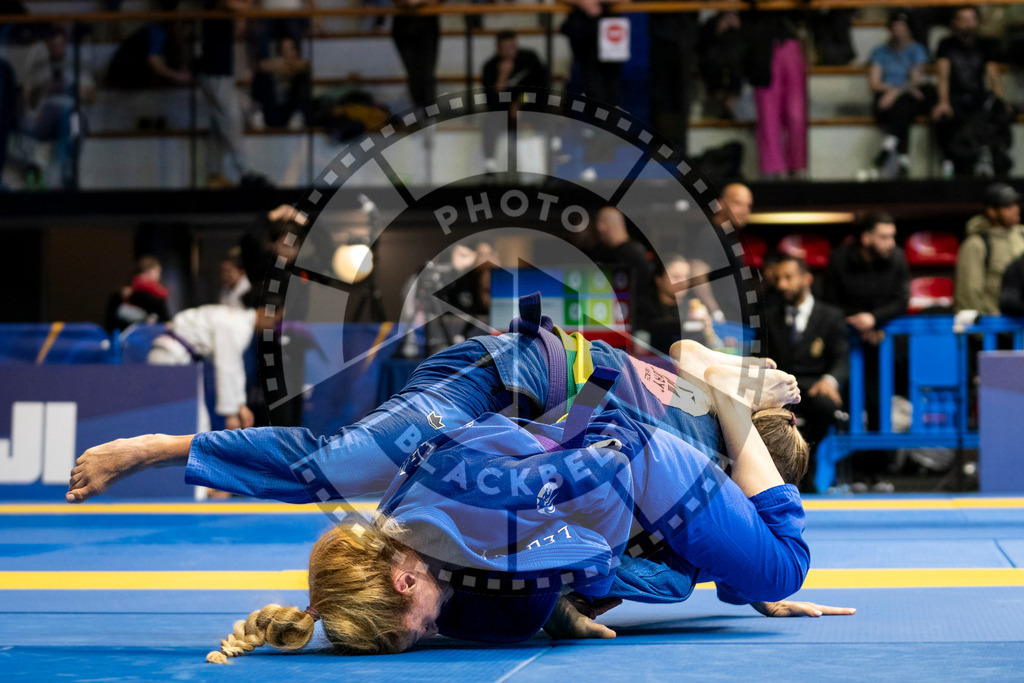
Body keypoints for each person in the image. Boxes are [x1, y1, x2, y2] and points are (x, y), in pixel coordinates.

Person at [763, 255, 848, 490]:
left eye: (788, 278)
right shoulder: (770, 316)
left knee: (825, 407)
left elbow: (842, 357)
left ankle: (806, 466)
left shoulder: (831, 316)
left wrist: (830, 380)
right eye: (778, 279)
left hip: (815, 386)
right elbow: (763, 358)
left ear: (806, 279)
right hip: (780, 388)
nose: (782, 285)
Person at [147, 291, 281, 432]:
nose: (274, 327)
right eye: (276, 321)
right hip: (171, 358)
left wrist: (240, 405)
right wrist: (231, 414)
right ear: (266, 312)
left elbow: (234, 367)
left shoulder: (237, 319)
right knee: (185, 423)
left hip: (174, 356)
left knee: (195, 423)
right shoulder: (238, 325)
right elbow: (227, 366)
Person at [932, 6, 1013, 177]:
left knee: (1001, 112)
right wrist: (943, 102)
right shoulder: (947, 44)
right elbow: (943, 75)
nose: (968, 24)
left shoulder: (986, 44)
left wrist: (1000, 100)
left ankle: (999, 157)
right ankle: (949, 161)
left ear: (977, 22)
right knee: (942, 116)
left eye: (971, 19)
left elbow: (993, 75)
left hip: (978, 96)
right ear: (955, 22)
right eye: (963, 19)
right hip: (955, 96)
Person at [17, 25, 95, 189]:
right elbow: (26, 97)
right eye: (52, 46)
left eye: (60, 45)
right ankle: (36, 172)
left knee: (74, 123)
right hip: (45, 115)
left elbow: (91, 96)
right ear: (47, 46)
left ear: (65, 45)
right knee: (26, 125)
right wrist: (43, 87)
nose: (56, 49)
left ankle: (67, 173)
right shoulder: (39, 67)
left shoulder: (76, 66)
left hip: (72, 113)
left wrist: (71, 88)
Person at [823, 212, 910, 345]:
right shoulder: (839, 258)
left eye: (893, 236)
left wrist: (874, 318)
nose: (891, 243)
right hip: (846, 330)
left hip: (885, 327)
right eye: (884, 237)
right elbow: (829, 299)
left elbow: (902, 301)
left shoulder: (897, 257)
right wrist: (859, 320)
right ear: (866, 238)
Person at [867, 11, 932, 179]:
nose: (898, 31)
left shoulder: (916, 49)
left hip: (903, 97)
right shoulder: (879, 52)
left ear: (909, 29)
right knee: (902, 108)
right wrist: (895, 91)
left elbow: (915, 80)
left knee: (904, 104)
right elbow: (875, 83)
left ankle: (889, 147)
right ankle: (903, 159)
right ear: (889, 29)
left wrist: (895, 92)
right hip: (888, 98)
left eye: (902, 27)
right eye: (895, 27)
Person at [745, 11, 806, 180]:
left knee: (796, 114)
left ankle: (797, 166)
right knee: (767, 114)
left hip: (790, 38)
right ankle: (773, 169)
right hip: (761, 44)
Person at [199, 0, 253, 188]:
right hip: (216, 71)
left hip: (220, 69)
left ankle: (215, 175)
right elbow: (230, 3)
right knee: (231, 121)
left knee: (218, 125)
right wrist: (251, 7)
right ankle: (245, 174)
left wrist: (242, 17)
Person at [480, 30, 549, 173]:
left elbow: (541, 89)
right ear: (498, 49)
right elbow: (491, 102)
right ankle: (490, 163)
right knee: (490, 121)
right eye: (504, 48)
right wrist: (502, 78)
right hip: (503, 112)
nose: (509, 52)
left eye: (512, 47)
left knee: (550, 117)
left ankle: (552, 157)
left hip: (530, 107)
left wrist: (519, 103)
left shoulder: (529, 59)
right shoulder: (490, 67)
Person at [955, 183, 1024, 314]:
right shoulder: (976, 244)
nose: (1015, 209)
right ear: (991, 211)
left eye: (1016, 204)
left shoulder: (1022, 235)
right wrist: (981, 326)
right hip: (996, 322)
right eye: (1007, 206)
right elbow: (969, 294)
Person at [391, 0, 440, 109]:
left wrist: (417, 2)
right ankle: (419, 108)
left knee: (427, 72)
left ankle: (429, 111)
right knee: (413, 73)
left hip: (427, 24)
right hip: (403, 26)